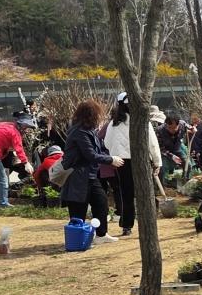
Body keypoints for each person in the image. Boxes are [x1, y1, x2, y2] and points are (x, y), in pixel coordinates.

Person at [60, 99, 124, 244]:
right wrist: (110, 159)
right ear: (91, 115)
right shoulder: (79, 132)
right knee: (78, 209)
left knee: (101, 202)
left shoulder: (88, 131)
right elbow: (90, 154)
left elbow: (98, 150)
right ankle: (77, 238)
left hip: (89, 175)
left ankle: (101, 235)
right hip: (77, 176)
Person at [103, 92, 160, 236]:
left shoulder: (113, 123)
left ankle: (127, 225)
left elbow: (107, 143)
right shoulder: (141, 120)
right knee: (145, 192)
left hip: (121, 161)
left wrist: (116, 153)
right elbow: (152, 143)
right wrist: (157, 161)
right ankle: (148, 222)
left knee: (126, 194)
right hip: (140, 159)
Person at [0, 114, 36, 209]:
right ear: (20, 125)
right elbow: (19, 149)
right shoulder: (15, 133)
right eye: (25, 126)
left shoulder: (5, 124)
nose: (26, 129)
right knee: (2, 179)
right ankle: (3, 203)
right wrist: (26, 163)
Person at [156, 111, 188, 184]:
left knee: (187, 164)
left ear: (178, 125)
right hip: (165, 151)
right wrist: (172, 156)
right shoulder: (159, 130)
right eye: (169, 127)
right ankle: (162, 186)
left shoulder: (182, 124)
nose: (171, 130)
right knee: (162, 167)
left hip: (177, 148)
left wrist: (193, 129)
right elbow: (161, 148)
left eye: (174, 128)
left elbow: (189, 127)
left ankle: (185, 181)